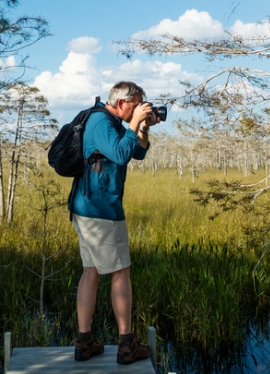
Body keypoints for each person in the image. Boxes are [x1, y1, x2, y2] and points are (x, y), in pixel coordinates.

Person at [69, 81, 155, 364]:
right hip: (101, 210)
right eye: (136, 105)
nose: (139, 109)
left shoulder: (113, 121)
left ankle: (84, 342)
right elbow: (119, 154)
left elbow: (137, 152)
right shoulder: (100, 122)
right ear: (121, 103)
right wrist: (134, 125)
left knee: (91, 271)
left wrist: (141, 126)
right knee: (121, 272)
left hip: (88, 207)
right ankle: (127, 345)